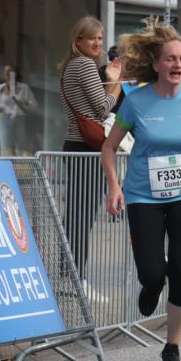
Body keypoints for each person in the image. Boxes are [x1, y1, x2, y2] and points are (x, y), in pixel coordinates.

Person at [102, 19, 181, 361]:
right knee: (153, 274)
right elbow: (109, 147)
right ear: (156, 64)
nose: (178, 65)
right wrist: (114, 186)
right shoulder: (136, 101)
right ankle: (151, 286)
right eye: (170, 59)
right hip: (143, 197)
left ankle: (172, 347)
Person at [59, 16, 122, 291]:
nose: (98, 43)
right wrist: (115, 83)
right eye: (92, 38)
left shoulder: (70, 65)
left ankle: (68, 274)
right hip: (87, 147)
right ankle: (76, 278)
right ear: (79, 40)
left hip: (76, 143)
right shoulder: (84, 65)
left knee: (76, 213)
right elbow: (103, 108)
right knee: (82, 215)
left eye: (100, 38)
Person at [0, 64, 37, 156]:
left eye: (10, 72)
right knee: (7, 149)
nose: (7, 74)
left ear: (15, 74)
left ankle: (24, 164)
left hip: (21, 120)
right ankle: (9, 164)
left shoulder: (23, 88)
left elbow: (34, 106)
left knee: (24, 148)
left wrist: (24, 104)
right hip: (5, 120)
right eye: (5, 72)